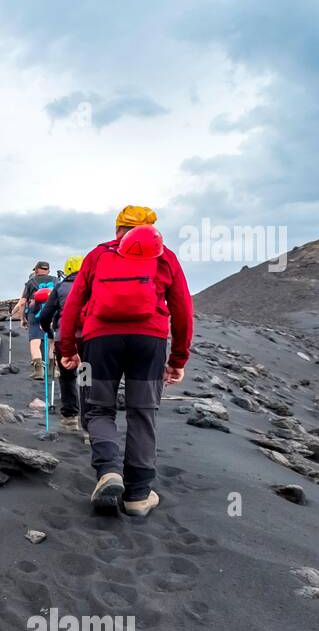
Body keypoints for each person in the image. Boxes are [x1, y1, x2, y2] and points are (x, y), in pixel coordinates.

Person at [59, 206, 193, 518]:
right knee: (143, 412)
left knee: (98, 409)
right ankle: (138, 494)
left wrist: (68, 348)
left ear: (118, 228)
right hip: (149, 341)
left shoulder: (98, 255)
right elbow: (183, 308)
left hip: (99, 341)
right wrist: (178, 359)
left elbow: (74, 304)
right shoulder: (165, 257)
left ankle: (108, 472)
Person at [37, 254, 84, 432]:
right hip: (90, 338)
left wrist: (49, 331)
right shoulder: (95, 285)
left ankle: (71, 418)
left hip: (65, 338)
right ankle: (90, 419)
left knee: (67, 376)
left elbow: (45, 315)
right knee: (88, 377)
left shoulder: (60, 287)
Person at [12, 261, 57, 379]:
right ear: (48, 270)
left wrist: (22, 318)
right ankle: (53, 370)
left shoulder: (31, 282)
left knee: (35, 343)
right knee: (52, 342)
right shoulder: (56, 280)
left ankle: (39, 372)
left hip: (36, 315)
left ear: (36, 270)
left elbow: (22, 303)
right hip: (52, 314)